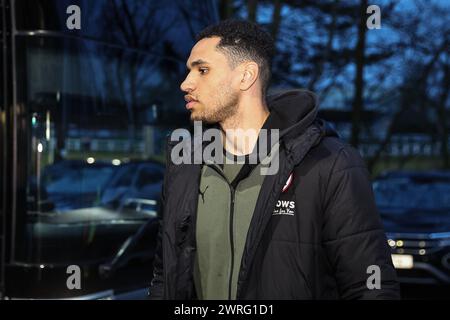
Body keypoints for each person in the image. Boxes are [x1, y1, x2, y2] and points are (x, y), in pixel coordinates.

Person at [148, 19, 400, 300]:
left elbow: (370, 287)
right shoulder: (185, 164)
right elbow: (164, 276)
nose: (186, 83)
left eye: (202, 70)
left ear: (246, 76)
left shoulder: (330, 163)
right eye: (188, 71)